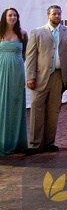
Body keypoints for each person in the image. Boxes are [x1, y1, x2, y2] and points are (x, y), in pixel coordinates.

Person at [26, 5, 67, 153]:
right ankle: (35, 144)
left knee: (54, 110)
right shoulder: (37, 32)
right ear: (48, 15)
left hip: (59, 76)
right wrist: (30, 77)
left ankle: (49, 143)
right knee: (37, 108)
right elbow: (31, 57)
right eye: (54, 14)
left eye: (59, 14)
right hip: (40, 77)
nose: (57, 16)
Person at [0, 8, 28, 155]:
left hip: (17, 72)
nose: (13, 17)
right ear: (4, 17)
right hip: (1, 71)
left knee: (15, 103)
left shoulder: (22, 34)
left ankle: (16, 141)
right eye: (10, 15)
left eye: (15, 15)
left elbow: (25, 54)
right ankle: (2, 141)